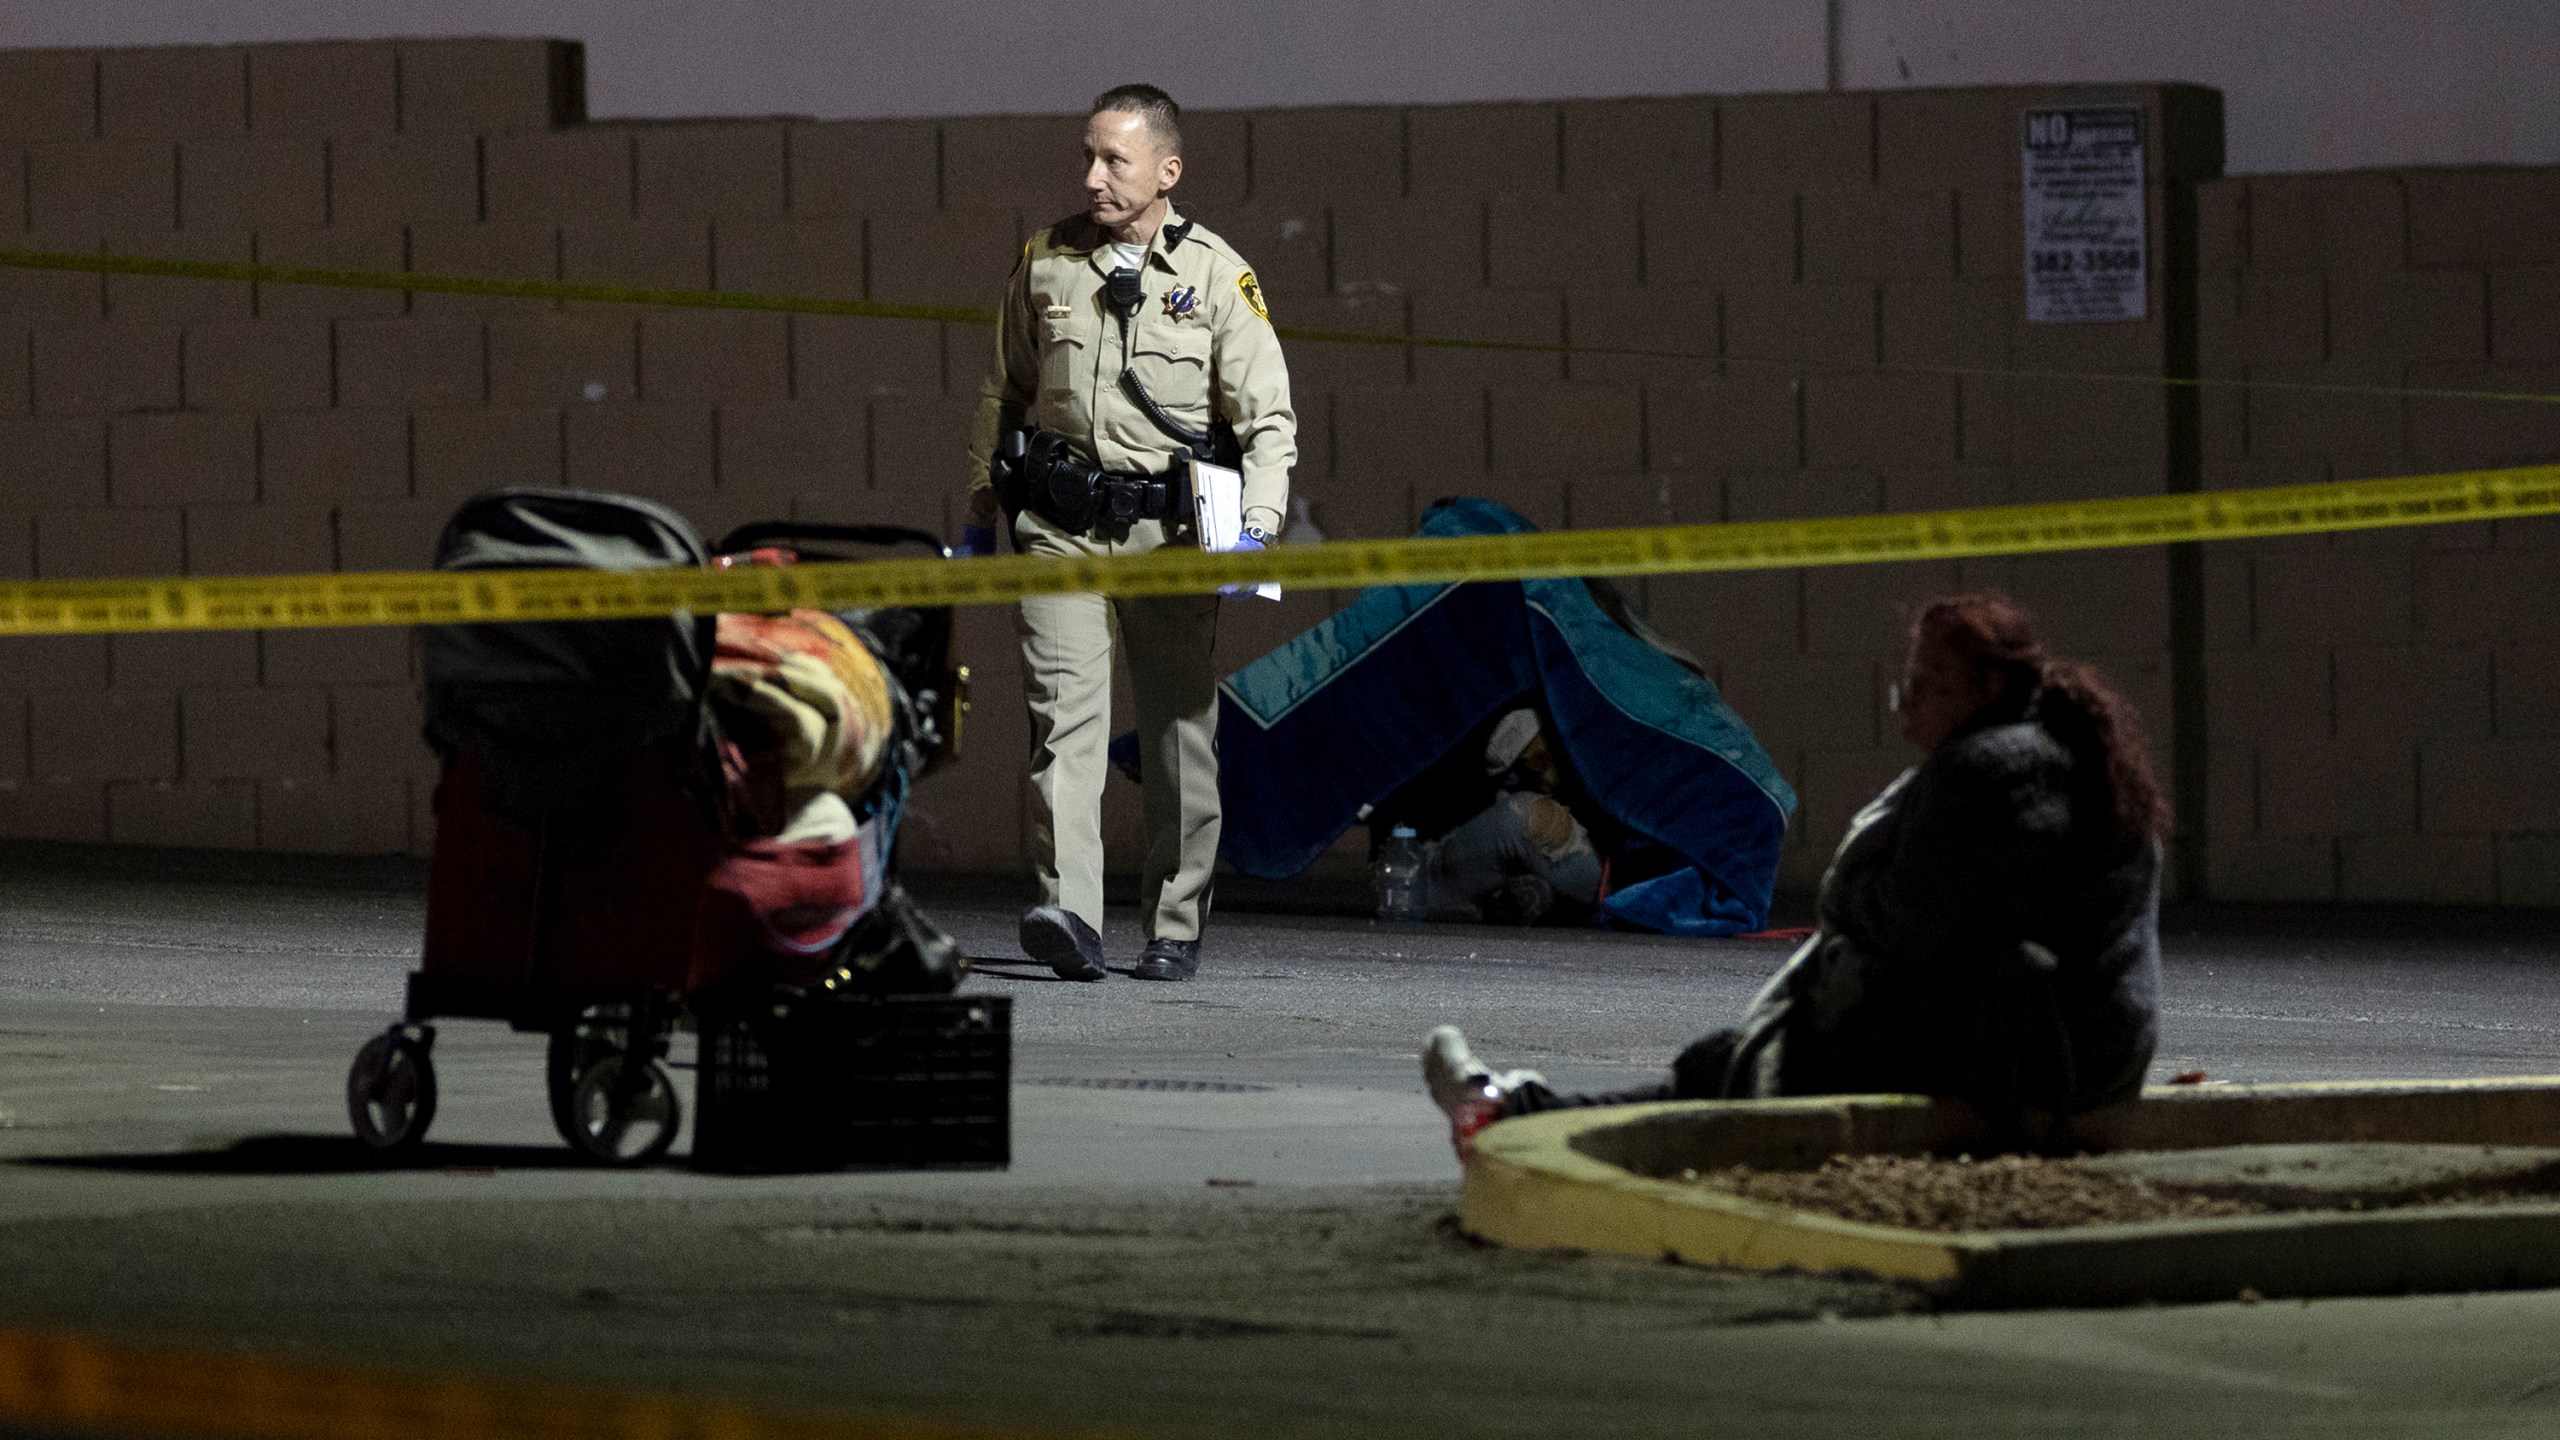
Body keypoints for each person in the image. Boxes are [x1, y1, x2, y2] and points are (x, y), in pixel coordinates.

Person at [1422, 593, 2169, 1153]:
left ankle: (1509, 1112)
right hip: (2098, 1054)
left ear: (1989, 689)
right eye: (1905, 685)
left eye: (1929, 687)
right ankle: (1515, 1106)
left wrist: (1850, 893)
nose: (1907, 707)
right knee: (1737, 1064)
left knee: (1736, 1070)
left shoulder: (1983, 771)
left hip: (2034, 1066)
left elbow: (1904, 927)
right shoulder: (2079, 757)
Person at [958, 84, 1296, 983]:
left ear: (1167, 171)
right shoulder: (1046, 261)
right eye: (1088, 156)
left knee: (1179, 732)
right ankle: (1070, 914)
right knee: (1062, 722)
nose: (1093, 176)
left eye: (1115, 159)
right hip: (1059, 528)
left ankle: (1175, 922)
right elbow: (1005, 390)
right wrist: (979, 508)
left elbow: (1267, 421)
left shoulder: (1218, 275)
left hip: (1169, 536)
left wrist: (1256, 529)